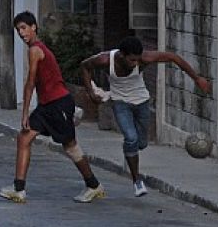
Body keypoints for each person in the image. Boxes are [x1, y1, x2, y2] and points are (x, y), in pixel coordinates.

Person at [0, 11, 105, 204]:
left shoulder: (35, 50)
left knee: (70, 146)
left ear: (34, 27)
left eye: (24, 28)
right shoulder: (36, 48)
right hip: (47, 106)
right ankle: (18, 189)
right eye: (18, 30)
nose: (21, 33)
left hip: (58, 104)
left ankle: (94, 185)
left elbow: (31, 82)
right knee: (24, 137)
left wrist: (25, 112)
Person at [81, 35, 211, 197]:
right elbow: (85, 66)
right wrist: (91, 91)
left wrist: (197, 78)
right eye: (132, 60)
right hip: (120, 102)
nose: (135, 64)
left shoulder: (145, 59)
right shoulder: (105, 60)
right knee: (131, 138)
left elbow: (173, 57)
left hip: (141, 101)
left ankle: (130, 153)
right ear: (122, 55)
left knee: (140, 143)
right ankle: (137, 181)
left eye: (137, 60)